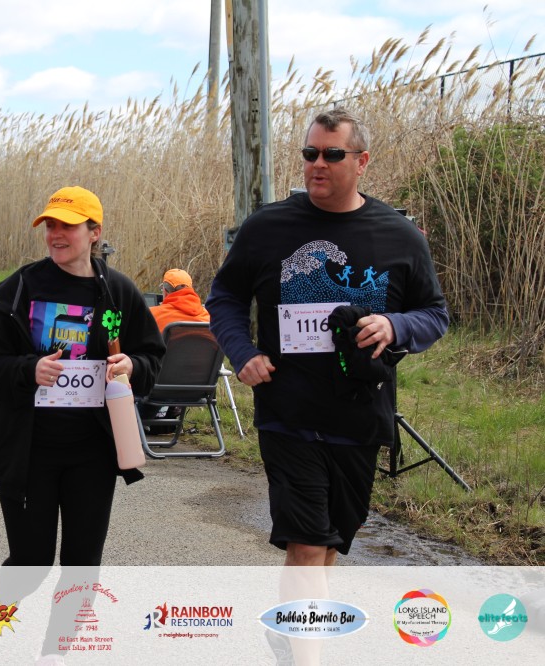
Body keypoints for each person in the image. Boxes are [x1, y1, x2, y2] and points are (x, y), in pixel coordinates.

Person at [206, 107, 448, 664]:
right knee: (309, 541)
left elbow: (434, 314)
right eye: (309, 153)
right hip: (288, 412)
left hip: (359, 415)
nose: (317, 163)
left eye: (332, 154)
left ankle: (291, 631)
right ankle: (308, 654)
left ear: (361, 162)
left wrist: (395, 326)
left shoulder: (398, 234)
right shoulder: (268, 227)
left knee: (332, 539)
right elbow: (224, 297)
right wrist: (243, 353)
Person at [0, 186, 164, 664]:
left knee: (82, 563)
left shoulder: (117, 292)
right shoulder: (22, 287)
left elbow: (151, 356)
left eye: (68, 226)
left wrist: (132, 366)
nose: (56, 235)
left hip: (93, 451)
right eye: (51, 226)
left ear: (94, 233)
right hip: (29, 449)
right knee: (30, 560)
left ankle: (55, 652)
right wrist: (27, 369)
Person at [142, 268, 210, 432]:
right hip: (199, 390)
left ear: (165, 291)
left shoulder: (154, 314)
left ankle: (138, 421)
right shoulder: (209, 318)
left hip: (160, 388)